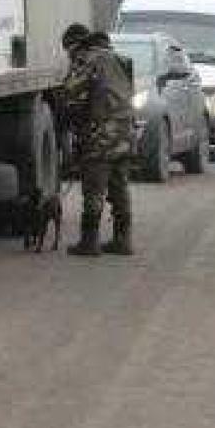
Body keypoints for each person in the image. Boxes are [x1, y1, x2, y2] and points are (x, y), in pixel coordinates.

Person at [62, 24, 136, 257]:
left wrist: (70, 121)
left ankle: (89, 241)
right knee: (119, 187)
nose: (69, 56)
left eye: (68, 50)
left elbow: (73, 97)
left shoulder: (86, 60)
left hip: (99, 136)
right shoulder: (120, 59)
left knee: (94, 189)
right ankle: (123, 240)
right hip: (125, 133)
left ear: (75, 45)